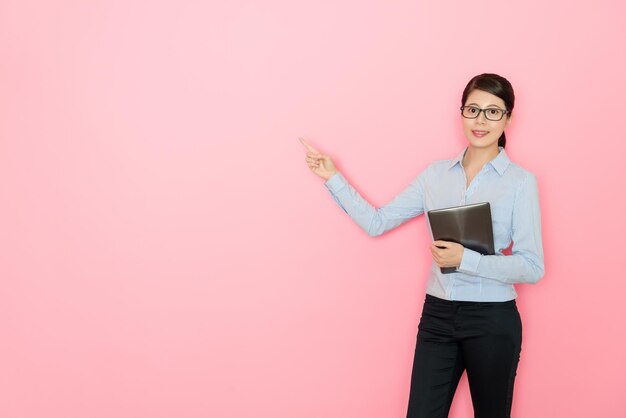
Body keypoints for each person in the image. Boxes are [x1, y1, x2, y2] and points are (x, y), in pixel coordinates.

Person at [299, 73, 544, 418]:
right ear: (461, 113)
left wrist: (467, 259)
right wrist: (332, 177)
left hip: (492, 319)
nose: (480, 120)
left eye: (492, 112)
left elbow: (532, 267)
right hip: (439, 314)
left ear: (508, 118)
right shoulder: (434, 175)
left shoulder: (521, 182)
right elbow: (377, 222)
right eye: (473, 109)